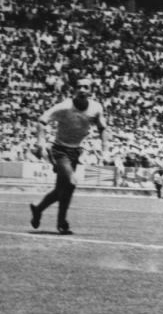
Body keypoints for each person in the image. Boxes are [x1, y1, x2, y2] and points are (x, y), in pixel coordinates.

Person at [29, 77, 109, 235]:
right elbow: (42, 120)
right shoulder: (65, 106)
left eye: (86, 87)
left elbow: (103, 128)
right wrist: (41, 142)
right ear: (74, 90)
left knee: (61, 190)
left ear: (91, 91)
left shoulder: (96, 108)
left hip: (75, 151)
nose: (82, 90)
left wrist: (105, 149)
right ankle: (62, 222)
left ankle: (38, 209)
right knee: (71, 183)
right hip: (60, 150)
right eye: (79, 87)